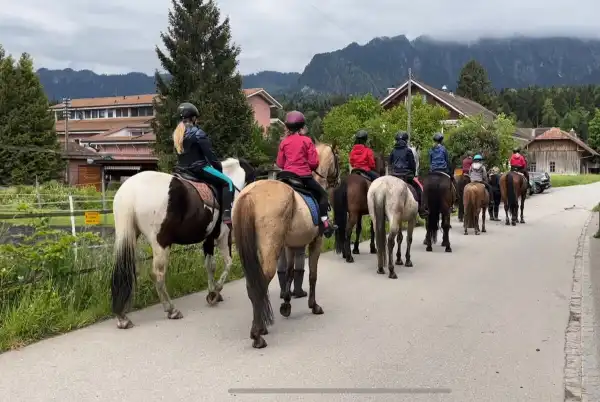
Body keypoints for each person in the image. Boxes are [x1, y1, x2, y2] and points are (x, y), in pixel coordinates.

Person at [172, 102, 235, 227]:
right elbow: (211, 157)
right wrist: (219, 169)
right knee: (228, 183)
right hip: (199, 169)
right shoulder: (198, 133)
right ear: (194, 118)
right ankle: (227, 214)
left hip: (181, 170)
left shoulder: (176, 134)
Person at [276, 110, 336, 238]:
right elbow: (314, 163)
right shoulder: (307, 141)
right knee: (323, 195)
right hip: (303, 178)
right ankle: (325, 223)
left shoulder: (284, 142)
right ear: (302, 126)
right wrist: (307, 166)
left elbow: (280, 163)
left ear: (287, 126)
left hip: (285, 177)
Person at [389, 131, 426, 217]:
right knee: (419, 189)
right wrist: (413, 174)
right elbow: (412, 164)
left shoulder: (393, 151)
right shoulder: (408, 150)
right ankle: (422, 209)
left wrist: (392, 172)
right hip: (406, 175)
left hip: (394, 175)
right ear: (406, 140)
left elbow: (390, 163)